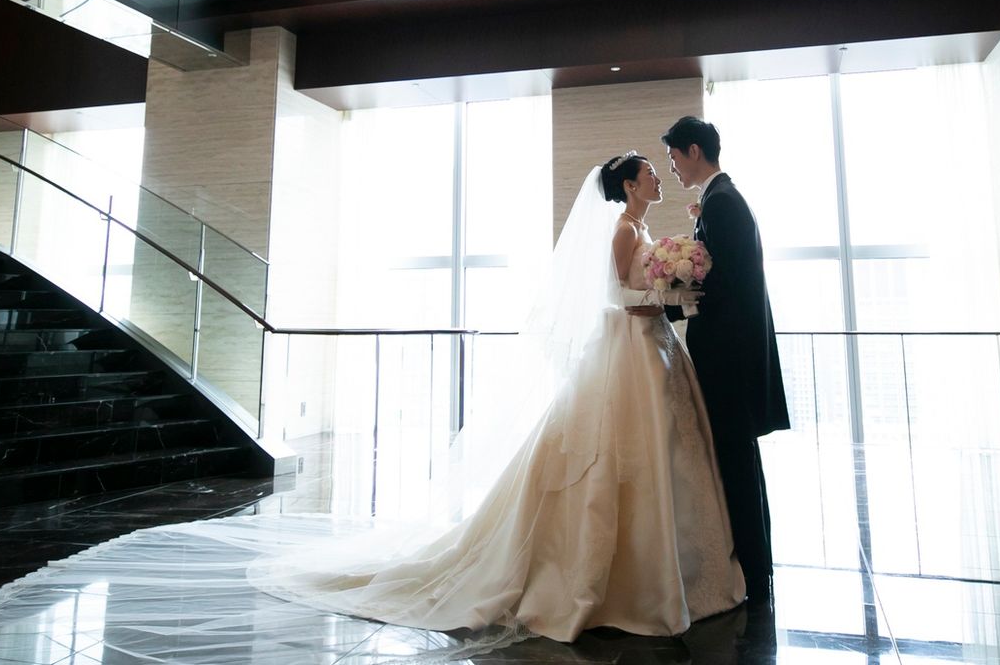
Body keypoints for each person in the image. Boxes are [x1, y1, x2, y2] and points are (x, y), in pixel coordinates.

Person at [250, 154, 745, 652]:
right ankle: (621, 581)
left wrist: (670, 290)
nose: (657, 177)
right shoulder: (622, 230)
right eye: (649, 173)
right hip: (629, 348)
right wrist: (669, 295)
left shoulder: (640, 227)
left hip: (652, 347)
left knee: (662, 449)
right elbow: (615, 295)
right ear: (630, 186)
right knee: (614, 452)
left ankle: (674, 567)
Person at [661, 116, 789, 613]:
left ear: (694, 151)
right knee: (740, 463)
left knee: (737, 464)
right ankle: (758, 566)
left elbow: (725, 287)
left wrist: (669, 308)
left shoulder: (723, 203)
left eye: (674, 156)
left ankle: (755, 574)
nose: (673, 167)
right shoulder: (718, 199)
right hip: (730, 358)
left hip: (730, 363)